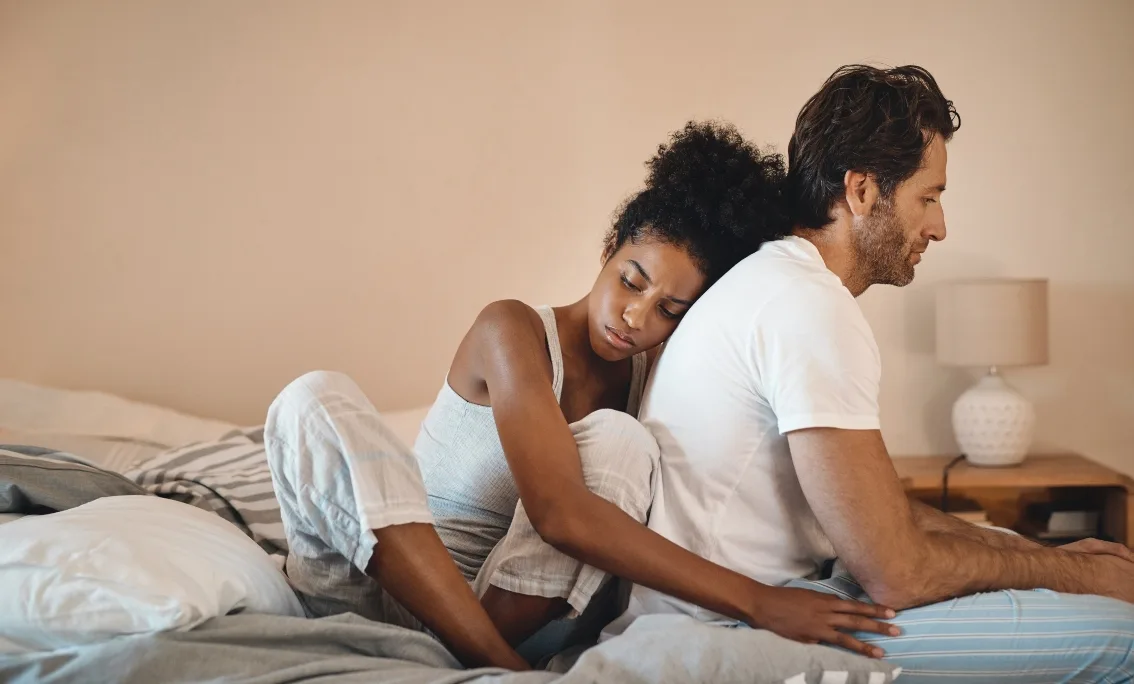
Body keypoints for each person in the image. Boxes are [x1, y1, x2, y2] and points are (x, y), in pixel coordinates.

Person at [263, 121, 899, 671]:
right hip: (378, 592)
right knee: (316, 397)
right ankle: (493, 666)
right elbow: (558, 513)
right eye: (630, 280)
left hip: (505, 613)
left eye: (670, 310)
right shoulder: (510, 330)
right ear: (607, 251)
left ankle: (473, 657)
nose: (635, 316)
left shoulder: (659, 379)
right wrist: (756, 601)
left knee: (624, 442)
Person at [609, 65, 1134, 681]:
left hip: (745, 603)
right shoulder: (807, 306)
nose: (938, 226)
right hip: (725, 631)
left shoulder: (778, 281)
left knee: (1006, 547)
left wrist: (1025, 549)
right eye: (928, 196)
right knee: (1121, 636)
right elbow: (898, 571)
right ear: (860, 191)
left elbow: (877, 516)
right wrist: (1074, 575)